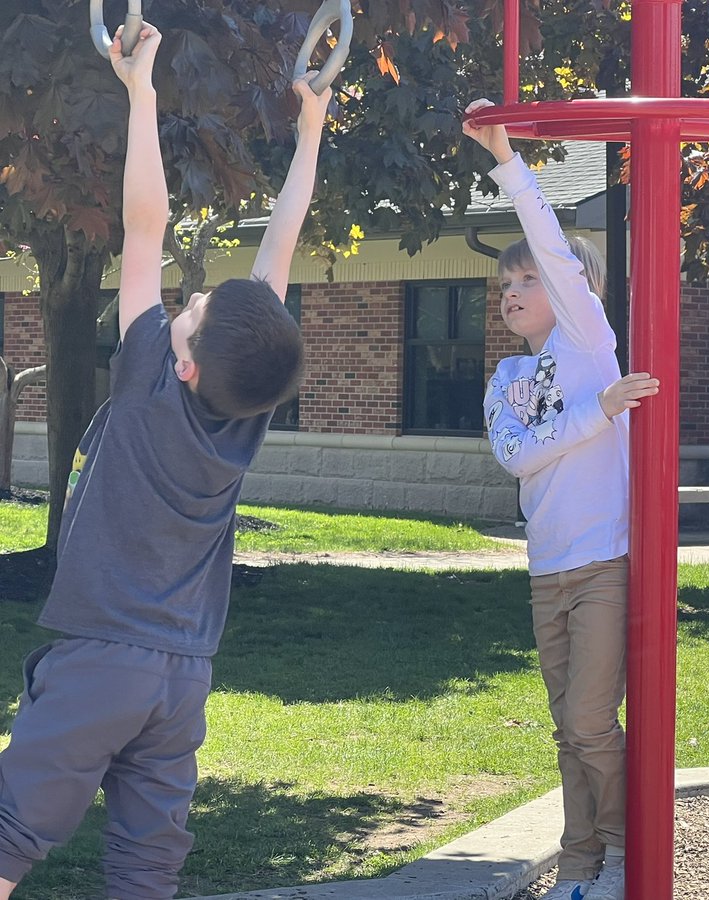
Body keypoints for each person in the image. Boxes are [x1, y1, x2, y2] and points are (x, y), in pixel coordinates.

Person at [0, 23, 327, 900]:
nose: (182, 303)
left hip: (101, 657)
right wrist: (309, 135)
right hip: (182, 678)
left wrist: (142, 91)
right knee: (146, 866)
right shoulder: (245, 415)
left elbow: (144, 223)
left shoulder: (150, 377)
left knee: (8, 835)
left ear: (181, 361)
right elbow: (279, 257)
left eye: (190, 311)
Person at [463, 98, 659, 900]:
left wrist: (505, 158)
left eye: (526, 278)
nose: (512, 289)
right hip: (547, 572)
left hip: (605, 563)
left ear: (571, 291)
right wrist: (598, 411)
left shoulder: (588, 341)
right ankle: (578, 866)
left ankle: (617, 857)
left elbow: (552, 239)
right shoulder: (508, 379)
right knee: (567, 731)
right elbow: (517, 458)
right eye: (504, 281)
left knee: (588, 723)